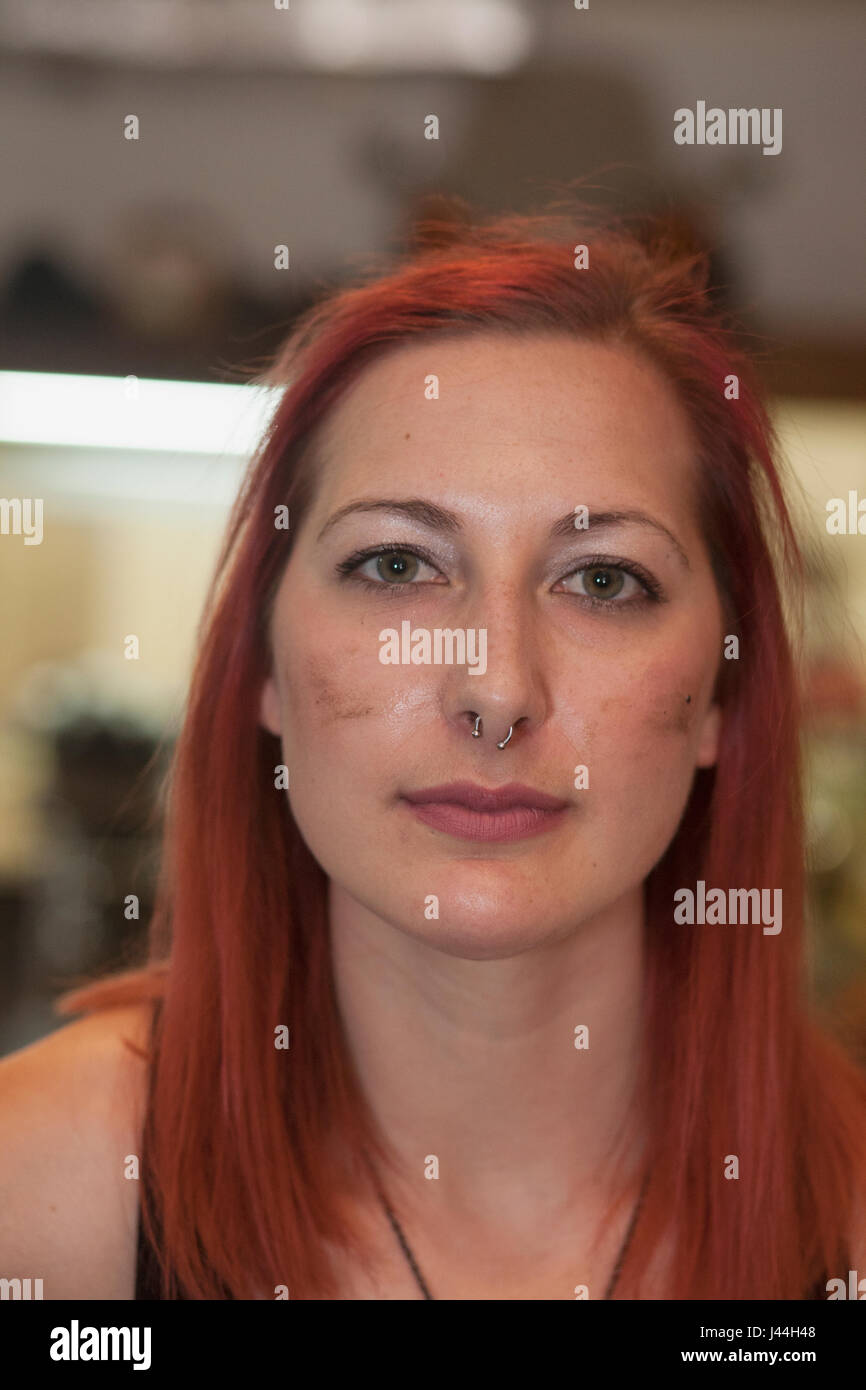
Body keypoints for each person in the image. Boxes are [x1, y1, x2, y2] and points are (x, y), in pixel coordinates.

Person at [2, 199, 865, 1300]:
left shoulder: (837, 1231)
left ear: (718, 696)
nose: (496, 689)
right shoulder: (39, 1197)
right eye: (397, 567)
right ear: (261, 665)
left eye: (602, 580)